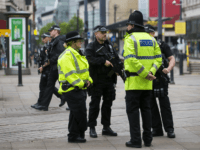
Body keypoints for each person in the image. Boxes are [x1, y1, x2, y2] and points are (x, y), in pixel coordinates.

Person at [123, 10, 162, 148]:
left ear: (132, 25)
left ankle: (135, 141)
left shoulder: (130, 39)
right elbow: (159, 59)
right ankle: (148, 139)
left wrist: (144, 73)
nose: (127, 27)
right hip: (147, 83)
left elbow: (131, 59)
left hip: (134, 83)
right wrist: (150, 72)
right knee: (146, 110)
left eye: (128, 24)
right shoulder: (151, 39)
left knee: (133, 111)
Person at [85, 25, 121, 138]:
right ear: (96, 34)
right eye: (102, 32)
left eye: (105, 32)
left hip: (109, 80)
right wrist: (102, 61)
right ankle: (92, 127)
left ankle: (106, 127)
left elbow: (116, 58)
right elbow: (88, 60)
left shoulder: (109, 45)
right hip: (97, 81)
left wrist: (118, 68)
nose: (105, 34)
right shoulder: (91, 46)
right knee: (95, 104)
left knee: (107, 104)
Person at [57, 31, 93, 143]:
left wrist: (89, 80)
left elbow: (85, 71)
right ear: (73, 42)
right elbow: (70, 74)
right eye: (79, 40)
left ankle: (74, 135)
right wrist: (82, 83)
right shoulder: (67, 55)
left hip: (79, 88)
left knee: (75, 113)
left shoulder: (77, 53)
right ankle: (75, 135)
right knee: (80, 113)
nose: (81, 42)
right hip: (72, 89)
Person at [145, 24, 176, 138]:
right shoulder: (142, 46)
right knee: (151, 105)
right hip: (149, 78)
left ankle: (169, 129)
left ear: (153, 34)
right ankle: (157, 129)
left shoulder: (162, 45)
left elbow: (171, 58)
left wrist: (168, 69)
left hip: (161, 78)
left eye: (149, 34)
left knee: (165, 105)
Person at [34, 25, 65, 111]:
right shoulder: (55, 41)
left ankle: (68, 100)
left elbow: (61, 54)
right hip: (53, 67)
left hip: (58, 67)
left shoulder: (60, 41)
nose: (50, 32)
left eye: (51, 31)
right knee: (49, 86)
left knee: (64, 86)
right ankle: (44, 105)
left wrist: (51, 58)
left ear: (56, 31)